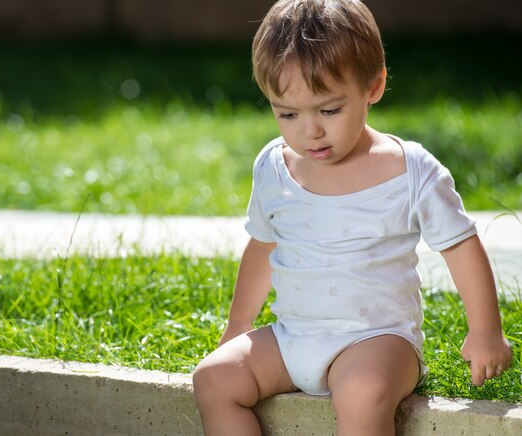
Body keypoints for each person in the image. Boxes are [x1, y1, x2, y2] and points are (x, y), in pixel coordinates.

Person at [192, 1, 512, 435]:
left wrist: (486, 331)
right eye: (287, 113)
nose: (310, 131)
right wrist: (238, 326)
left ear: (374, 85)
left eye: (329, 110)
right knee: (213, 378)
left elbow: (460, 246)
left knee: (361, 392)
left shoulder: (410, 170)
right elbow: (263, 245)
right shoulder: (274, 167)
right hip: (292, 339)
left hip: (378, 342)